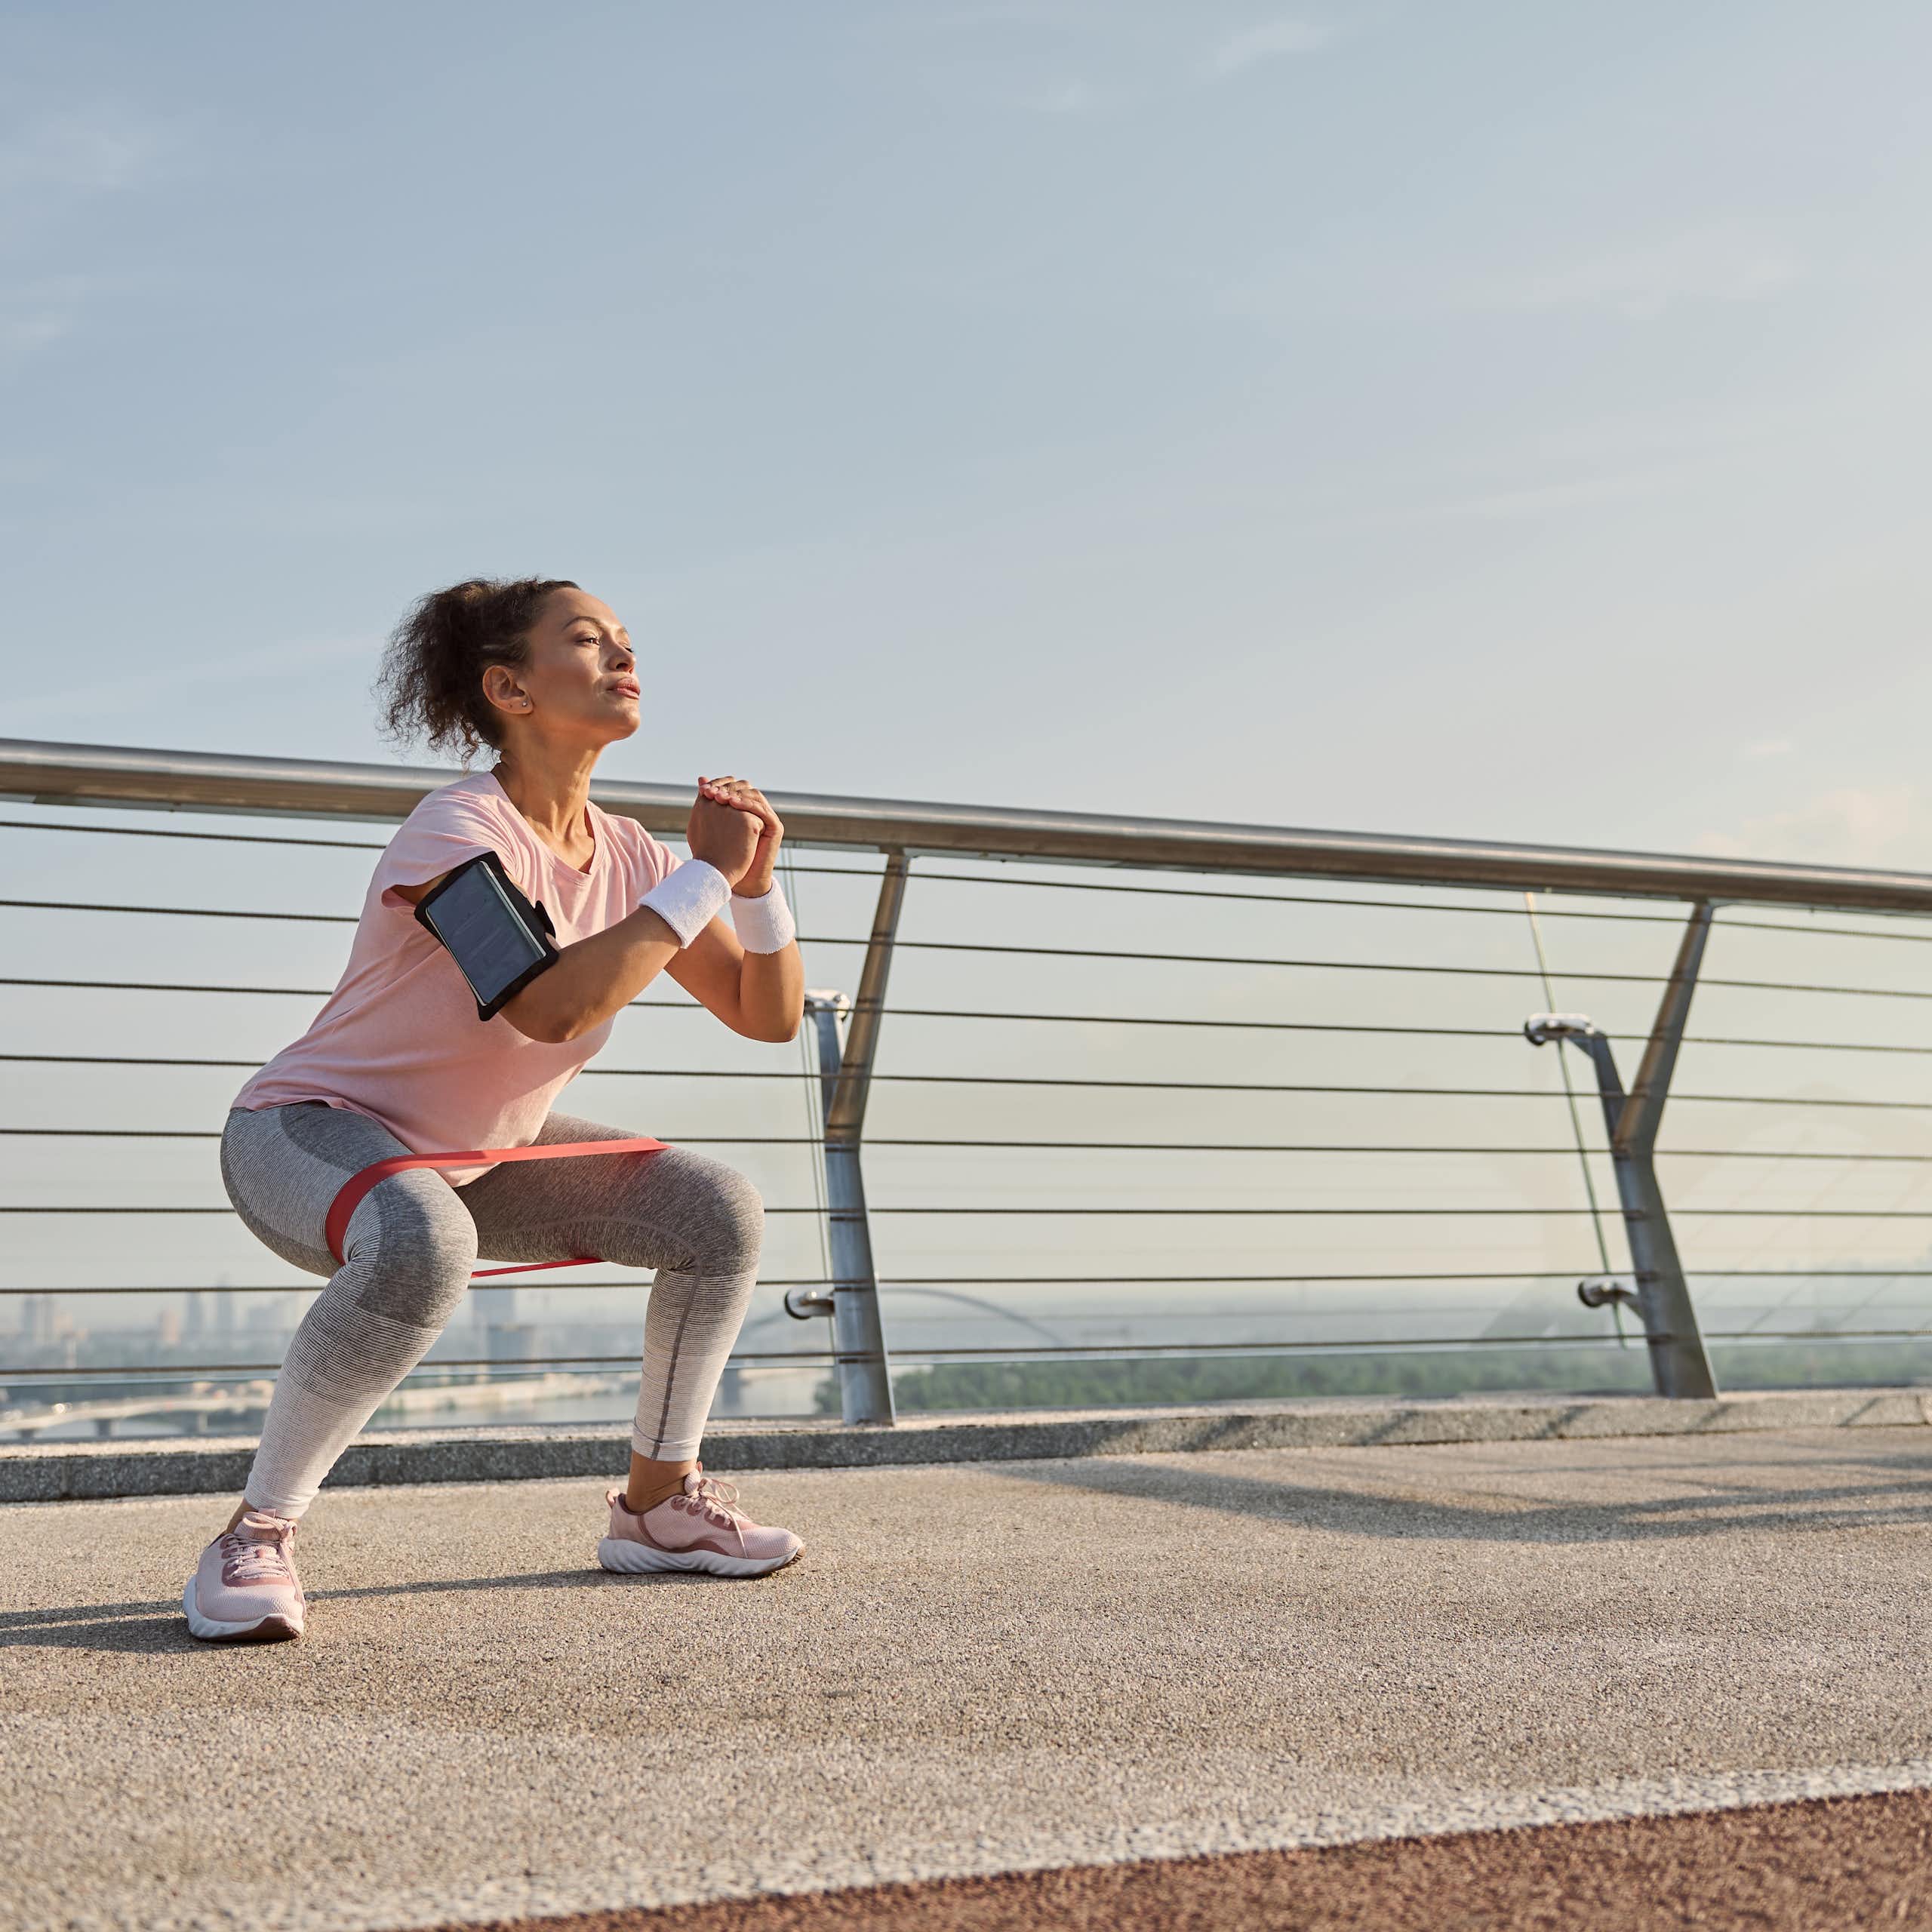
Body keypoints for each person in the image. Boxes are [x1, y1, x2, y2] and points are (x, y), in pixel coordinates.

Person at [185, 577, 806, 1644]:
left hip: (476, 1154)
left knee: (714, 1211)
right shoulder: (456, 833)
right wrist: (702, 873)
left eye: (626, 641)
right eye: (588, 641)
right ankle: (255, 1536)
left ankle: (659, 1508)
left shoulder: (636, 858)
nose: (623, 656)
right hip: (308, 1131)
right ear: (509, 687)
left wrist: (752, 887)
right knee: (424, 1240)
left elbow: (767, 1014)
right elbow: (553, 1008)